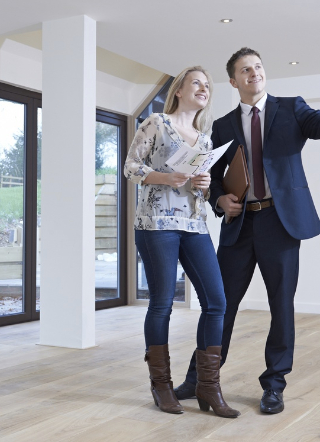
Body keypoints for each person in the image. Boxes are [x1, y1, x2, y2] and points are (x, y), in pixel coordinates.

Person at [174, 47, 320, 414]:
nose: (253, 73)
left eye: (257, 67)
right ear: (233, 81)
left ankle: (274, 385)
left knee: (280, 306)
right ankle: (200, 379)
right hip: (240, 226)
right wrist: (220, 200)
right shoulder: (222, 126)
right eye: (245, 69)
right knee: (218, 306)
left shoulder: (292, 109)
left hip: (280, 222)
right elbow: (211, 178)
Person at [124, 66, 239, 418]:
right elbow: (131, 167)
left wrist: (203, 185)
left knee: (217, 302)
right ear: (179, 90)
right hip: (156, 223)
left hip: (194, 224)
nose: (204, 89)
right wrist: (166, 176)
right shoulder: (156, 123)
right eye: (197, 84)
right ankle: (162, 387)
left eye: (207, 85)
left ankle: (208, 385)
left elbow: (196, 191)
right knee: (161, 304)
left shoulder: (205, 139)